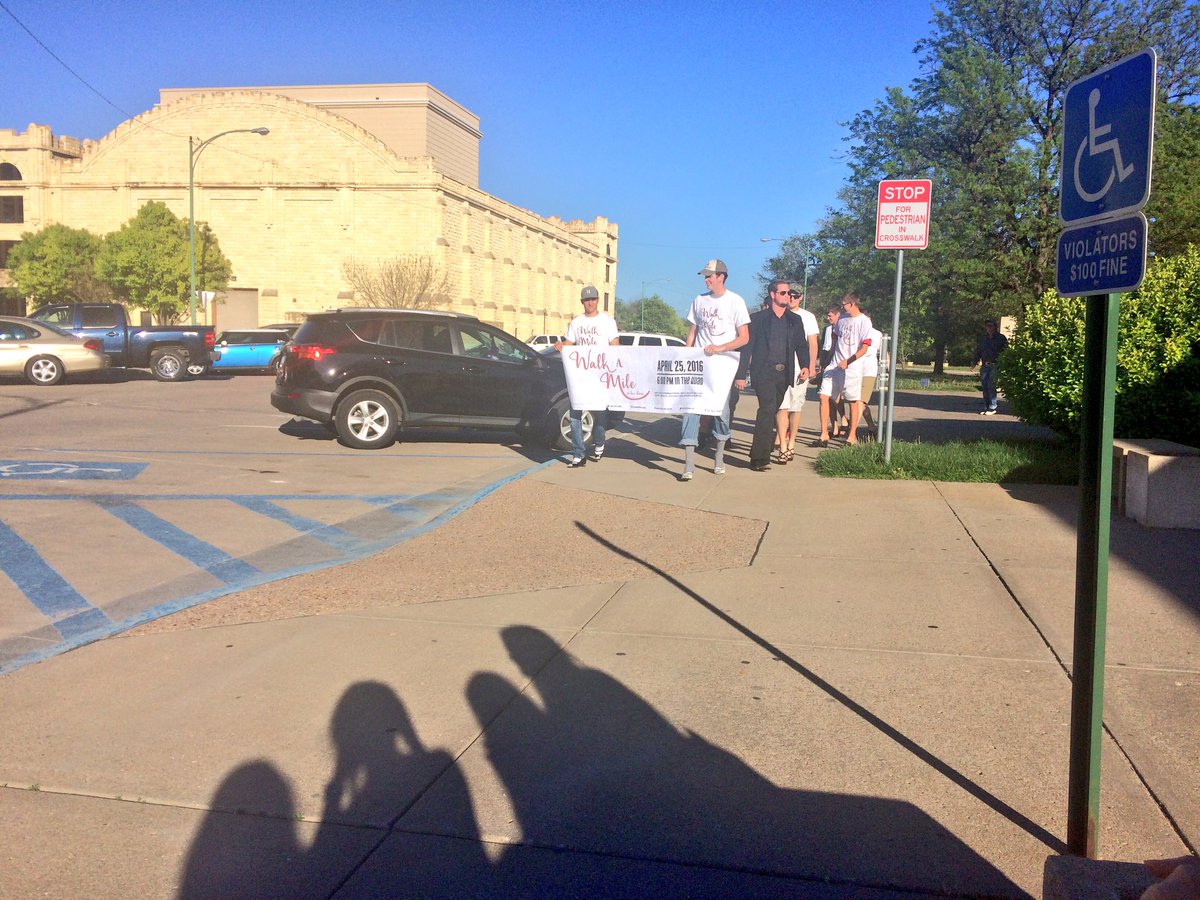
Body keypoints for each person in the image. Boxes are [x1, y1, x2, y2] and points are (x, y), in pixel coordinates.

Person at [679, 259, 750, 481]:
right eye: (705, 276)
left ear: (721, 276)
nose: (706, 279)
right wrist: (686, 353)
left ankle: (719, 457)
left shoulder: (735, 301)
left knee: (720, 411)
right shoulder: (699, 300)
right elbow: (693, 331)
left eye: (710, 275)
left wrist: (720, 348)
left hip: (723, 364)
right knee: (691, 409)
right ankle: (689, 464)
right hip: (699, 364)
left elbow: (744, 337)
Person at [735, 280, 813, 471]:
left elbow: (802, 346)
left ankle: (763, 448)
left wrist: (805, 365)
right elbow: (747, 349)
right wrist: (740, 374)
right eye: (784, 293)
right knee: (767, 409)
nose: (789, 297)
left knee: (772, 411)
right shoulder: (758, 319)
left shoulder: (794, 320)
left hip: (784, 373)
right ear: (773, 295)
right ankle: (759, 459)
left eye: (791, 294)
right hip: (763, 372)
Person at [555, 285, 619, 466]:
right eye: (586, 300)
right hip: (580, 375)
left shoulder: (607, 321)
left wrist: (613, 364)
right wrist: (562, 348)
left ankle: (599, 442)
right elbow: (568, 344)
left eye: (592, 299)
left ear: (597, 300)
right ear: (582, 302)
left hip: (599, 374)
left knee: (599, 414)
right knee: (575, 412)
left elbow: (615, 344)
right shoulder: (576, 322)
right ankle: (578, 454)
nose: (590, 303)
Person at [814, 292, 874, 447]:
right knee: (823, 396)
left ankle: (852, 436)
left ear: (852, 304)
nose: (842, 308)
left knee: (853, 401)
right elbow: (835, 338)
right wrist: (827, 361)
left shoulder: (864, 322)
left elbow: (864, 348)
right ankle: (824, 435)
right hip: (835, 364)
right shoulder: (842, 320)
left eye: (844, 304)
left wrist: (848, 361)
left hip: (852, 367)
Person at [772, 285, 820, 462]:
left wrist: (811, 365)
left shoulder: (808, 317)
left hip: (800, 368)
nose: (791, 298)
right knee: (782, 406)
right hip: (781, 367)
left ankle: (792, 441)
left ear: (801, 297)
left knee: (795, 407)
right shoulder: (778, 314)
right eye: (787, 294)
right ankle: (783, 445)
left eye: (795, 295)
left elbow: (812, 343)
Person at [971, 318, 1008, 415]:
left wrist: (1003, 363)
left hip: (995, 365)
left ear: (995, 327)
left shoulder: (1001, 338)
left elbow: (1005, 351)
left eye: (991, 326)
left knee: (991, 385)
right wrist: (974, 363)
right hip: (985, 365)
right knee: (985, 386)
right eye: (987, 326)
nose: (989, 328)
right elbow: (978, 351)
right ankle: (987, 406)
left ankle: (992, 407)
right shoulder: (983, 339)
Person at [858, 315, 884, 438]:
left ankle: (851, 433)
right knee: (857, 403)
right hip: (855, 371)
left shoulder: (877, 334)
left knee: (861, 402)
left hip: (869, 371)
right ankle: (872, 426)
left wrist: (887, 368)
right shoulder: (856, 331)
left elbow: (884, 352)